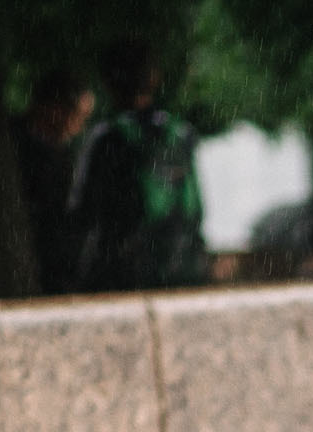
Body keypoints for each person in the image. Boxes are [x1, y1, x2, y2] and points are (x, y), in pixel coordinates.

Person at [70, 39, 209, 292]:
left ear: (108, 83)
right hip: (184, 267)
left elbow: (83, 212)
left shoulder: (107, 138)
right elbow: (195, 207)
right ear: (154, 79)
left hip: (126, 273)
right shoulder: (181, 133)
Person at [13, 68, 95, 294]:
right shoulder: (12, 146)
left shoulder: (65, 154)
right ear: (54, 109)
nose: (80, 127)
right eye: (78, 116)